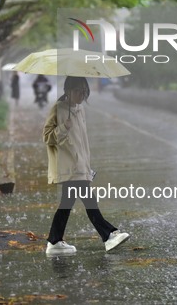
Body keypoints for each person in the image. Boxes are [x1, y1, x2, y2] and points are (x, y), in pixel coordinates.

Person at [42, 76, 130, 255]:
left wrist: (87, 166)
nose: (81, 95)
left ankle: (54, 241)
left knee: (67, 204)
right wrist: (62, 129)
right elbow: (47, 137)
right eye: (77, 91)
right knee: (90, 201)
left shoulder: (80, 109)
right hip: (68, 167)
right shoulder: (58, 109)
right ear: (67, 91)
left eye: (84, 91)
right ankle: (108, 235)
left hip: (80, 166)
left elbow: (82, 143)